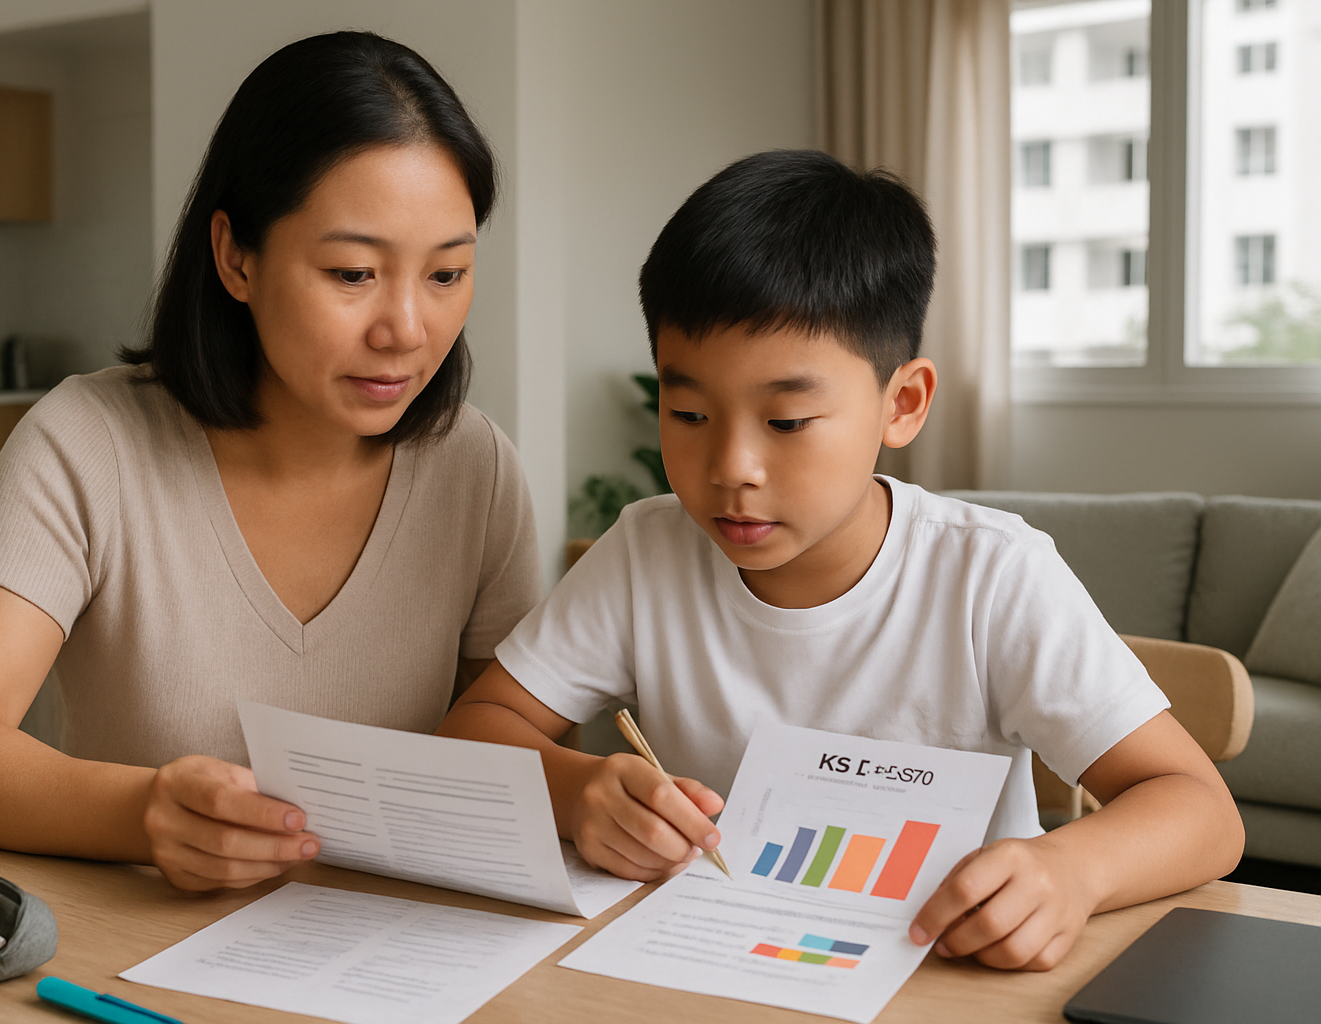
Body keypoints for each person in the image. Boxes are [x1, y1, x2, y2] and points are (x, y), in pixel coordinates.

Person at [437, 149, 1243, 971]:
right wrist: (576, 792)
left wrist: (1073, 870)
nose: (731, 467)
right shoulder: (647, 553)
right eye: (686, 412)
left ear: (902, 404)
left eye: (786, 424)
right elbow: (477, 726)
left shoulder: (991, 576)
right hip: (712, 965)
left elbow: (1203, 812)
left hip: (943, 973)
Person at [0, 32, 540, 892]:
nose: (406, 330)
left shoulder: (474, 469)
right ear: (236, 257)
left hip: (394, 961)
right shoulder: (90, 442)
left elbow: (506, 754)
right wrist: (141, 814)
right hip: (134, 955)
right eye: (352, 272)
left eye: (446, 275)